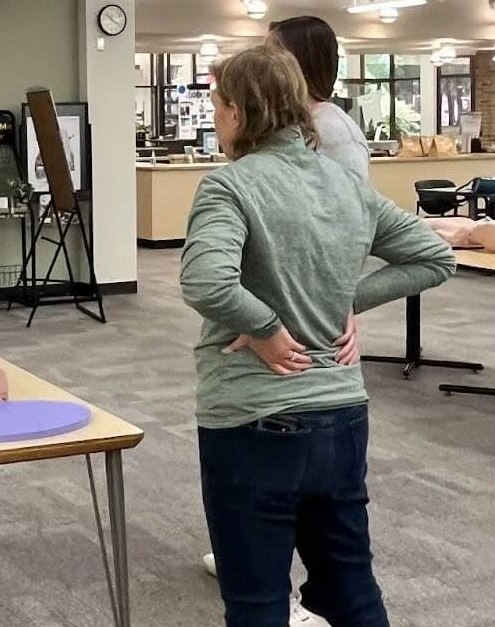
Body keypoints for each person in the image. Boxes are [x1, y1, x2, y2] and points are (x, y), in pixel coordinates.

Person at [180, 45, 455, 627]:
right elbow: (434, 256)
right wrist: (346, 301)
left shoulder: (229, 186)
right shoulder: (344, 184)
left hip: (255, 420)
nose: (214, 118)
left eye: (217, 105)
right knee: (350, 588)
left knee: (257, 599)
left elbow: (206, 282)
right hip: (342, 418)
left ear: (239, 110)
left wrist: (267, 329)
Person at [270, 15, 370, 181]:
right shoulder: (291, 124)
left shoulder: (335, 132)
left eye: (270, 56)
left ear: (296, 63)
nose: (261, 65)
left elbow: (352, 202)